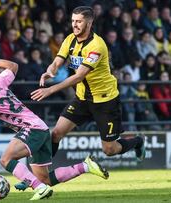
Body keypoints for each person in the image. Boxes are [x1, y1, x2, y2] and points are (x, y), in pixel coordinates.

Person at [0, 50, 109, 200]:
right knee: (46, 179)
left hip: (31, 129)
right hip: (39, 128)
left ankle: (39, 189)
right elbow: (13, 66)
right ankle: (85, 166)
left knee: (6, 160)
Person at [30, 6, 145, 161]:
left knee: (109, 149)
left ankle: (138, 141)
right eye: (72, 21)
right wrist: (51, 70)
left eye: (79, 21)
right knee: (56, 133)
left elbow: (79, 76)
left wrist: (50, 90)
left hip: (105, 100)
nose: (74, 25)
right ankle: (41, 174)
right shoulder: (70, 39)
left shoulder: (97, 46)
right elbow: (57, 61)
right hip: (82, 98)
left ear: (89, 23)